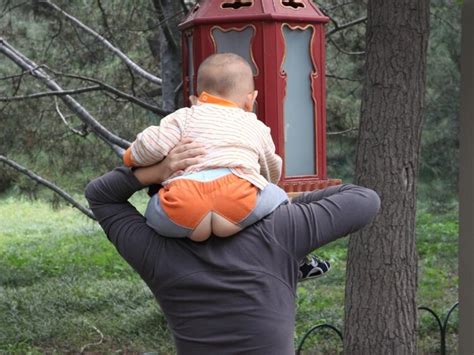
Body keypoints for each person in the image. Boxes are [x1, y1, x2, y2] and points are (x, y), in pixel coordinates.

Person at [85, 140, 380, 354]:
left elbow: (100, 195)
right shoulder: (281, 228)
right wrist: (275, 202)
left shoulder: (153, 249)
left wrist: (157, 169)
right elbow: (364, 200)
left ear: (166, 194)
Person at [124, 52, 330, 279]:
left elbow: (150, 145)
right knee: (278, 195)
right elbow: (271, 168)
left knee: (153, 206)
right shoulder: (254, 125)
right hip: (236, 202)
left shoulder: (184, 116)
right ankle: (297, 261)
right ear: (250, 99)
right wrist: (266, 184)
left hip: (183, 207)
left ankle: (168, 261)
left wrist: (131, 157)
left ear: (198, 97)